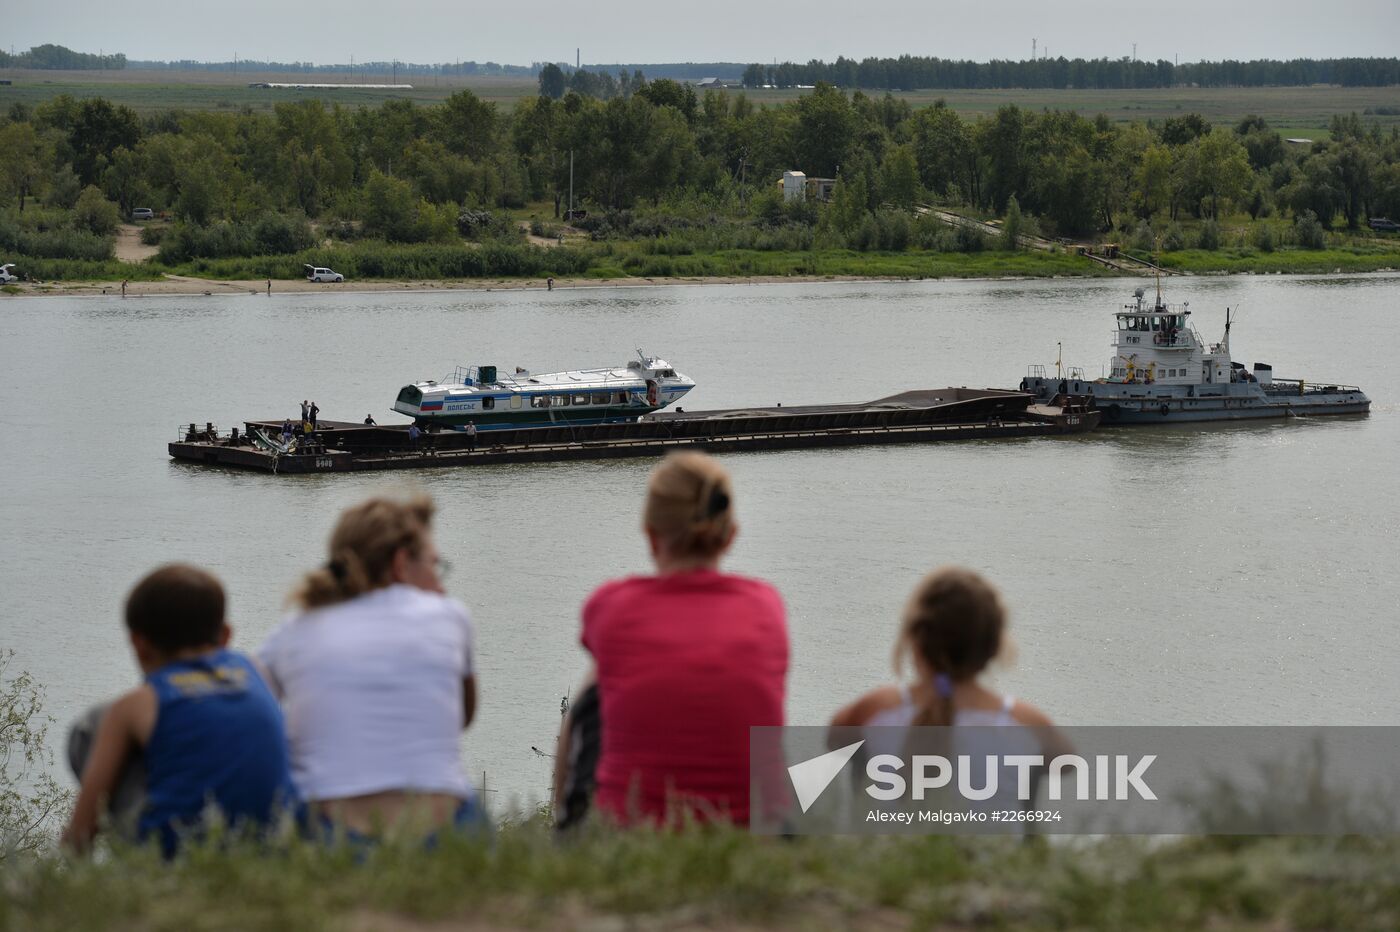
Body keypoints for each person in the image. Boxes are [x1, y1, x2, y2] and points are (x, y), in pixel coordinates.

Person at [553, 452, 787, 827]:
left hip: (630, 839)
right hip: (753, 837)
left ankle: (562, 830)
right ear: (730, 536)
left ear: (649, 534)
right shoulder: (767, 607)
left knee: (594, 694)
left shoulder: (611, 606)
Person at [258, 495, 482, 841]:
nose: (440, 582)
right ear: (400, 563)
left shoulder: (294, 629)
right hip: (444, 833)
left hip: (331, 834)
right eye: (434, 565)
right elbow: (463, 717)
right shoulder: (450, 615)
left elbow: (250, 715)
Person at [62, 565, 298, 857]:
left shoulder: (135, 706)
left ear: (139, 644)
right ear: (225, 635)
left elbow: (80, 835)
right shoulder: (255, 671)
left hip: (180, 857)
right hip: (279, 847)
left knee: (90, 727)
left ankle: (137, 860)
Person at [830, 567, 1063, 811]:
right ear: (993, 648)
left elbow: (836, 740)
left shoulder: (878, 708)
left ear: (916, 642)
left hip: (891, 848)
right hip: (994, 849)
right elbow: (1064, 762)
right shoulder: (1024, 721)